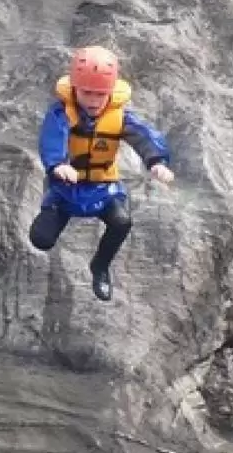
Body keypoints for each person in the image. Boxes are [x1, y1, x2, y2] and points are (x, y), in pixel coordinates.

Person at [29, 45, 174, 301]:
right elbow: (52, 137)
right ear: (75, 88)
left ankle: (100, 266)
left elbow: (144, 137)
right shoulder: (62, 112)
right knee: (41, 238)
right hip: (65, 188)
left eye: (101, 94)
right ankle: (56, 214)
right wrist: (58, 164)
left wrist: (157, 162)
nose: (94, 101)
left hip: (103, 186)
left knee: (121, 222)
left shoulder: (119, 116)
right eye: (87, 93)